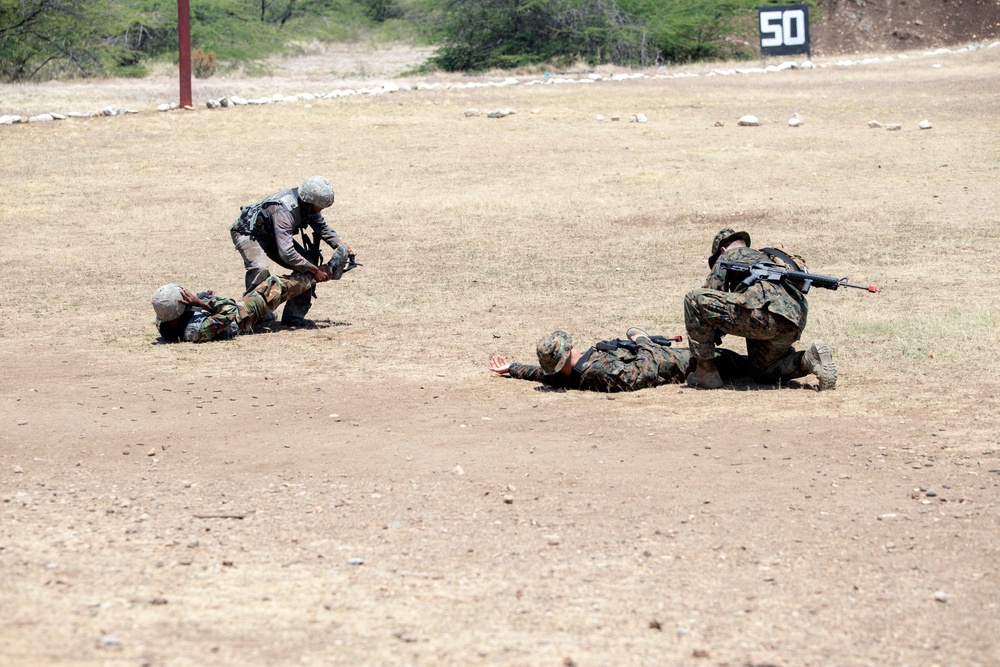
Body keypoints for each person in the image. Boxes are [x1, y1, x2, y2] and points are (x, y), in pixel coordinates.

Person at [683, 228, 837, 391]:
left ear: (722, 249)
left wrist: (705, 342)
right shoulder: (768, 259)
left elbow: (710, 297)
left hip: (762, 313)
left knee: (694, 299)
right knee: (766, 371)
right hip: (793, 318)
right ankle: (808, 359)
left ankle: (705, 373)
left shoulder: (727, 257)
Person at [229, 175, 354, 327]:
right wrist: (315, 270)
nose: (321, 210)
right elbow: (287, 253)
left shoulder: (308, 205)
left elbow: (322, 227)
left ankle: (294, 316)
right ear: (308, 201)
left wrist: (341, 246)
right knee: (259, 267)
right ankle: (252, 313)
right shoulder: (285, 210)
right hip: (249, 233)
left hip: (272, 234)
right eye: (319, 206)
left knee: (307, 264)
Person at [490, 327, 752, 392]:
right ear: (570, 348)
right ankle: (786, 366)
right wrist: (643, 341)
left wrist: (512, 368)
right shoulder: (596, 373)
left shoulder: (562, 375)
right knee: (737, 363)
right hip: (678, 362)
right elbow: (644, 374)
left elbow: (540, 374)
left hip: (669, 356)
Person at [151, 262, 339, 343]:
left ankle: (266, 315)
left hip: (235, 312)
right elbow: (230, 311)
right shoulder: (196, 331)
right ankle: (326, 272)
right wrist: (202, 303)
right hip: (242, 317)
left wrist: (201, 298)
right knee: (276, 286)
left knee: (265, 286)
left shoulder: (166, 319)